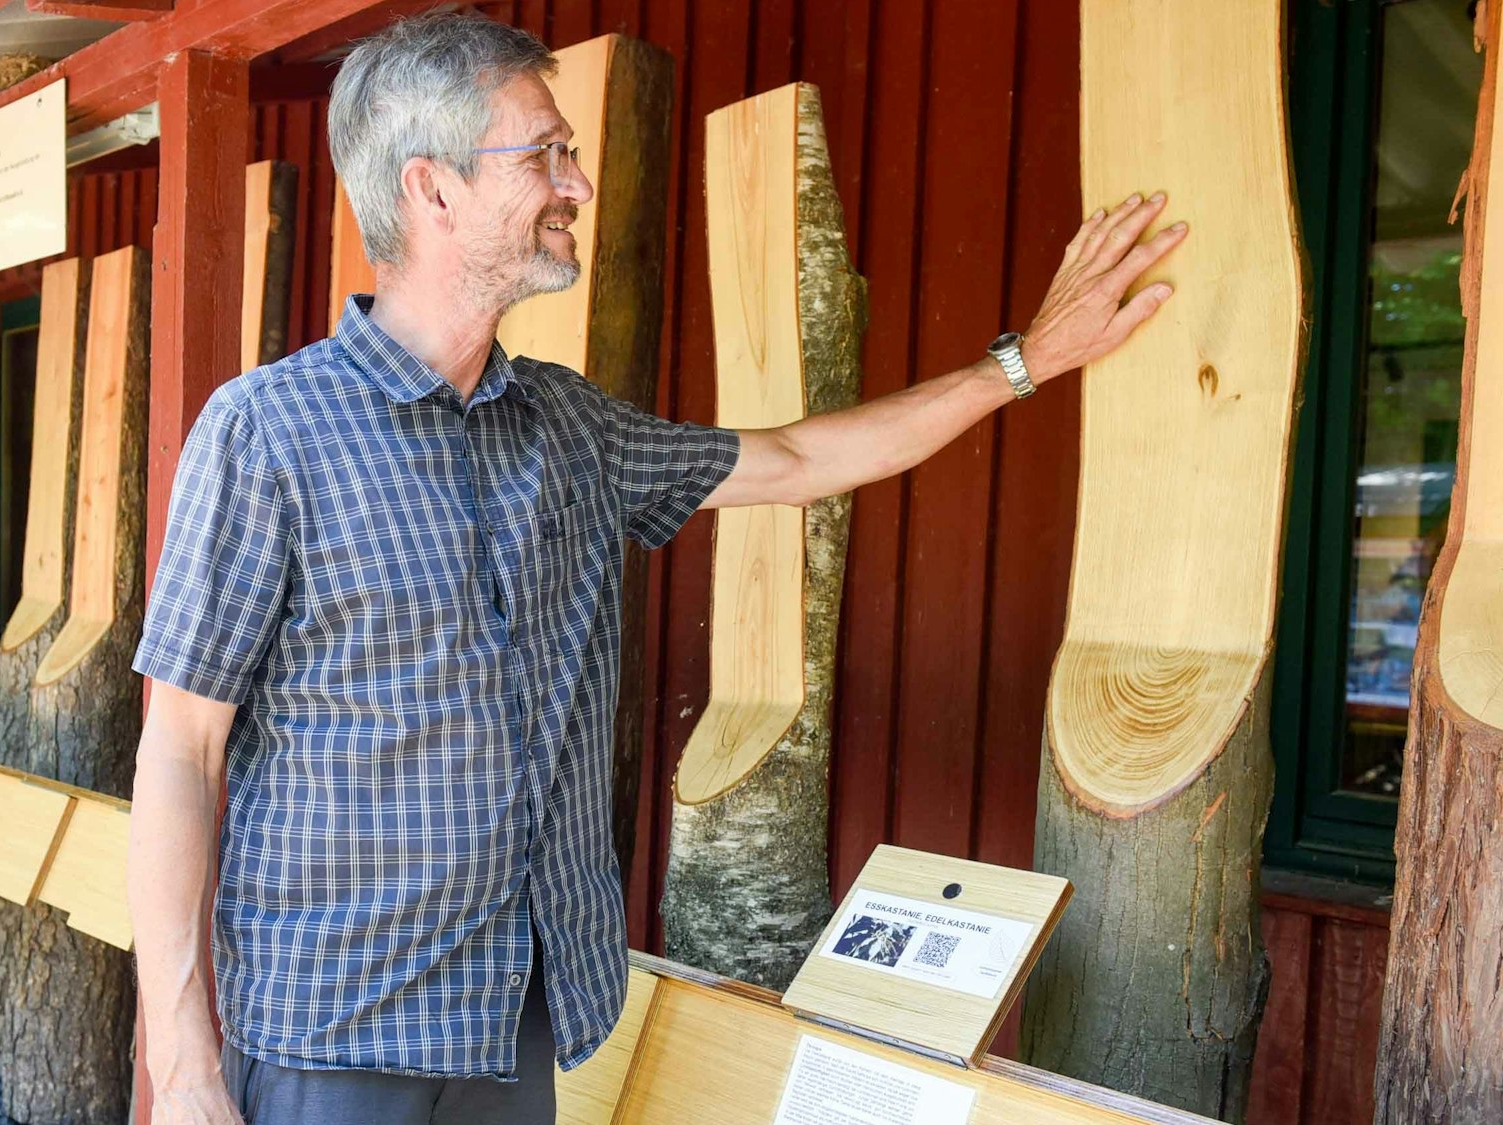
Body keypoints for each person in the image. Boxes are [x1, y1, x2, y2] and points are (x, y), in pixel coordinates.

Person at [128, 12, 1184, 1125]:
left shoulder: (568, 427)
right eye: (543, 154)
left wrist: (1021, 363)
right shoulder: (266, 432)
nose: (575, 184)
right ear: (430, 190)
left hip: (512, 1016)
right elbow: (181, 754)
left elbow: (790, 459)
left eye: (568, 152)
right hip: (328, 1036)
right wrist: (184, 1063)